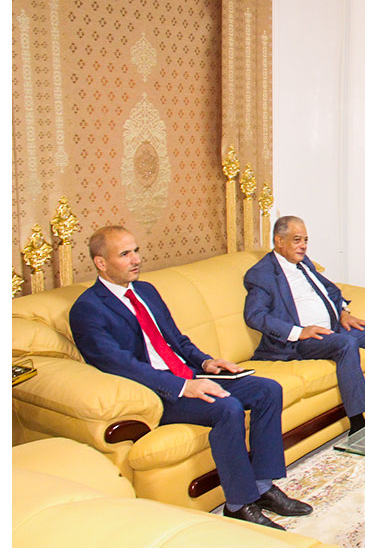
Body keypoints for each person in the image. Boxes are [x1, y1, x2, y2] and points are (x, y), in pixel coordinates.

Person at [69, 225, 311, 530]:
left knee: (267, 390)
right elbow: (121, 365)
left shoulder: (145, 291)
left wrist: (206, 362)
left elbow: (176, 340)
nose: (136, 259)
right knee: (228, 408)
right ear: (101, 263)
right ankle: (239, 504)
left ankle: (262, 487)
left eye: (136, 251)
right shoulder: (87, 310)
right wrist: (183, 386)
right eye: (125, 254)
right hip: (158, 392)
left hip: (188, 373)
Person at [242, 215, 365, 436]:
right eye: (297, 240)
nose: (303, 246)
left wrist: (344, 313)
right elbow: (255, 315)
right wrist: (299, 332)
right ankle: (358, 427)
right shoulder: (262, 274)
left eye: (306, 240)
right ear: (279, 241)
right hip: (301, 341)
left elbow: (331, 290)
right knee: (346, 344)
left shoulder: (303, 263)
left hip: (333, 328)